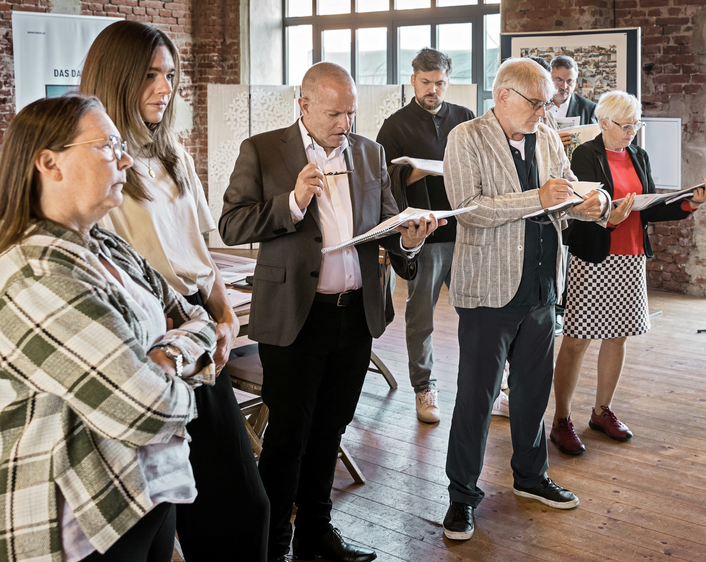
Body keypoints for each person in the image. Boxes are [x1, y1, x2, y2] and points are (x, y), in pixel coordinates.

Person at [220, 62, 442, 562]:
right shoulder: (262, 150)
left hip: (354, 315)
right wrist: (293, 202)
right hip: (297, 317)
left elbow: (389, 224)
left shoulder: (370, 152)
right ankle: (271, 546)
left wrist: (408, 241)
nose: (346, 123)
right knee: (287, 440)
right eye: (334, 113)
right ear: (303, 105)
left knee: (332, 429)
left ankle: (315, 536)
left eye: (351, 112)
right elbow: (232, 224)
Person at [78, 20, 271, 561]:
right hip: (153, 349)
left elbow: (200, 257)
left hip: (200, 340)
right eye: (150, 75)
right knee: (159, 518)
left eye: (170, 75)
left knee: (241, 504)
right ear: (116, 78)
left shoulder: (174, 156)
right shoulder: (100, 167)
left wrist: (225, 317)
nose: (165, 88)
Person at [0, 95, 216, 562]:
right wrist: (184, 365)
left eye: (121, 144)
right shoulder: (36, 275)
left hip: (145, 489)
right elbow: (146, 410)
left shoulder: (104, 244)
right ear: (49, 163)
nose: (123, 158)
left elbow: (197, 318)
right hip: (82, 517)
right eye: (106, 146)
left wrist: (169, 356)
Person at [440, 57, 610, 541]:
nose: (545, 110)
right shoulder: (466, 138)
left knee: (534, 393)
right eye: (536, 102)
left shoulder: (549, 137)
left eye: (547, 102)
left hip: (540, 287)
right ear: (503, 97)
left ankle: (531, 478)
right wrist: (539, 196)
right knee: (477, 397)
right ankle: (461, 497)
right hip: (488, 291)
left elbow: (561, 202)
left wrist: (590, 207)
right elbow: (469, 210)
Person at [549, 91, 706, 455]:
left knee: (619, 335)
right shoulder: (584, 154)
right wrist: (609, 216)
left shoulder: (638, 154)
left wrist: (690, 202)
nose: (631, 133)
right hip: (594, 256)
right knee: (577, 339)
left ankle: (601, 411)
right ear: (604, 123)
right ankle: (561, 420)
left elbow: (650, 208)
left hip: (631, 256)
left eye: (635, 125)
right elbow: (580, 210)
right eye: (625, 126)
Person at [377, 48, 475, 424]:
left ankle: (489, 385)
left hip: (465, 229)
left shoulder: (465, 118)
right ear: (413, 79)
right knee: (422, 316)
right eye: (426, 82)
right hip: (424, 234)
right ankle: (424, 387)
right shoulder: (396, 124)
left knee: (478, 313)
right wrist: (415, 174)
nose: (433, 90)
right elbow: (381, 178)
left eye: (440, 83)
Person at [548, 55, 598, 146]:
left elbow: (594, 145)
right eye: (559, 80)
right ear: (549, 78)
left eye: (569, 81)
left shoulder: (589, 109)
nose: (564, 86)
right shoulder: (536, 104)